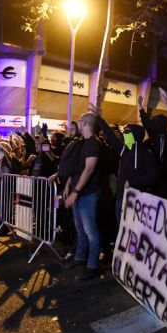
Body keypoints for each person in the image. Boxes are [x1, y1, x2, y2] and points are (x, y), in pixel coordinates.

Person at [63, 113, 103, 281]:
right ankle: (80, 258)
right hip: (78, 192)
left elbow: (89, 169)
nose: (77, 124)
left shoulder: (94, 144)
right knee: (80, 229)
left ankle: (92, 265)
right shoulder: (82, 143)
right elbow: (77, 169)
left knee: (90, 231)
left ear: (85, 123)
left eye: (79, 121)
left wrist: (75, 191)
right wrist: (68, 185)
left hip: (88, 193)